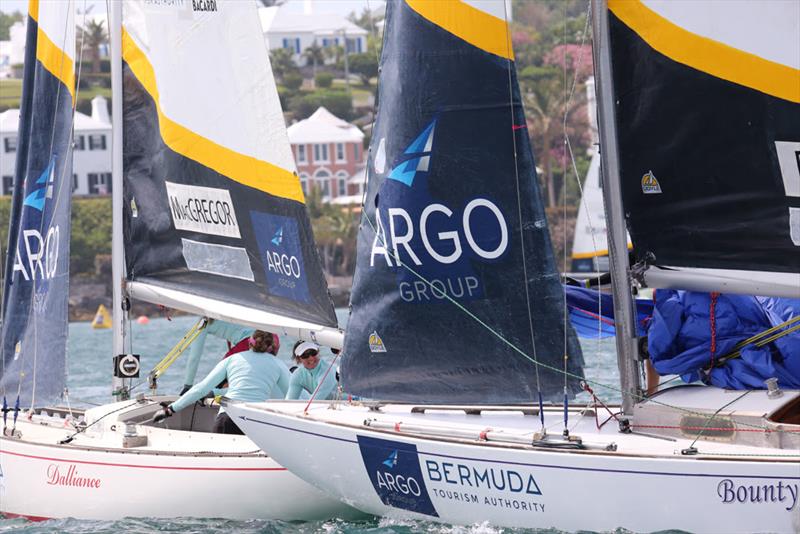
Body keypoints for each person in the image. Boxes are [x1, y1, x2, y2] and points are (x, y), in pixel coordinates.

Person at [152, 330, 290, 434]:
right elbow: (294, 395)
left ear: (249, 343)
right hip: (257, 421)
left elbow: (201, 388)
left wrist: (171, 409)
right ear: (272, 347)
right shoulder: (278, 364)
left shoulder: (232, 359)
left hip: (228, 418)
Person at [179, 318, 254, 394]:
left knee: (214, 384)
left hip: (247, 343)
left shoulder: (203, 321)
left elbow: (194, 357)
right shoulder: (226, 313)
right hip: (261, 339)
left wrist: (187, 385)